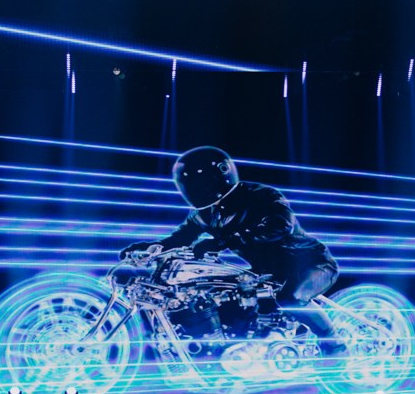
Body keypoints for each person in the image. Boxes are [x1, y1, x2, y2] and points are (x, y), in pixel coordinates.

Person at [120, 146, 340, 346]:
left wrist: (225, 240)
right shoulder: (205, 213)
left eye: (200, 182)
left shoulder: (260, 195)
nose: (195, 189)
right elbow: (180, 238)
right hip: (267, 272)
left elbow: (281, 225)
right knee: (232, 300)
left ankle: (335, 345)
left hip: (310, 262)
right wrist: (150, 247)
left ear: (221, 173)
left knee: (290, 299)